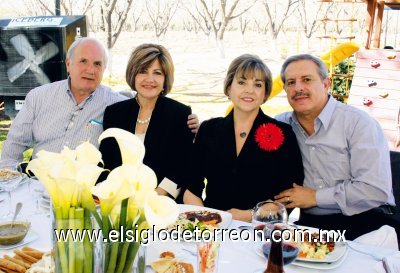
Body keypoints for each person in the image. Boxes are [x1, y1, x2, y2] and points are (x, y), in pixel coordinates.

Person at [1, 38, 199, 163]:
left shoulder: (114, 104)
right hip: (40, 186)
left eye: (97, 64)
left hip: (89, 193)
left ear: (103, 69)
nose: (90, 70)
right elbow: (13, 148)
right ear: (68, 64)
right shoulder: (38, 97)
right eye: (83, 62)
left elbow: (150, 100)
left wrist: (190, 123)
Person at [274, 53, 399, 241]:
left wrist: (315, 197)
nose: (298, 88)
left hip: (367, 221)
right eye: (291, 82)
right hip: (312, 225)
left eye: (306, 80)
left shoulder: (358, 124)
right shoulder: (281, 125)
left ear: (326, 84)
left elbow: (375, 190)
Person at [183, 54, 304, 221]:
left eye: (258, 84)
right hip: (211, 227)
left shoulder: (283, 133)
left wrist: (248, 216)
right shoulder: (208, 129)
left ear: (265, 93)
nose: (249, 90)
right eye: (241, 82)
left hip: (259, 231)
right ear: (229, 88)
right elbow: (191, 186)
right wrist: (207, 221)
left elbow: (287, 196)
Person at [99, 43, 196, 200]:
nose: (149, 79)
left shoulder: (180, 113)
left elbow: (181, 166)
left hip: (162, 201)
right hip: (119, 200)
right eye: (143, 71)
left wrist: (155, 196)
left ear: (165, 79)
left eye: (157, 73)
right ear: (133, 74)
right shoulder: (114, 113)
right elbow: (108, 162)